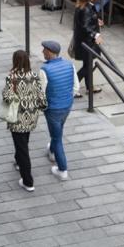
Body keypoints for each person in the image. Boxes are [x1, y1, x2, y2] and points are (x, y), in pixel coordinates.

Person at [2, 50, 47, 192]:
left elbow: (7, 97)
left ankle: (28, 181)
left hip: (17, 118)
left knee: (23, 149)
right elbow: (42, 97)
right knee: (23, 141)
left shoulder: (12, 77)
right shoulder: (34, 76)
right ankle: (17, 160)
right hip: (31, 116)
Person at [39, 40, 78, 180]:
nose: (42, 52)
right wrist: (66, 100)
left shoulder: (44, 70)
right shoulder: (70, 65)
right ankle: (51, 150)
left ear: (50, 52)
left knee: (57, 137)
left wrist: (42, 108)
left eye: (44, 50)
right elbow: (76, 87)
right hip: (66, 106)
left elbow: (41, 93)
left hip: (53, 109)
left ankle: (62, 170)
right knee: (58, 130)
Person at [73, 0, 103, 95]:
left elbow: (86, 21)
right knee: (87, 66)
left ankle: (89, 87)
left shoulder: (85, 6)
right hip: (87, 42)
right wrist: (96, 35)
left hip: (84, 41)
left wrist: (96, 21)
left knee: (88, 65)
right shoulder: (85, 8)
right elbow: (85, 26)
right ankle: (72, 87)